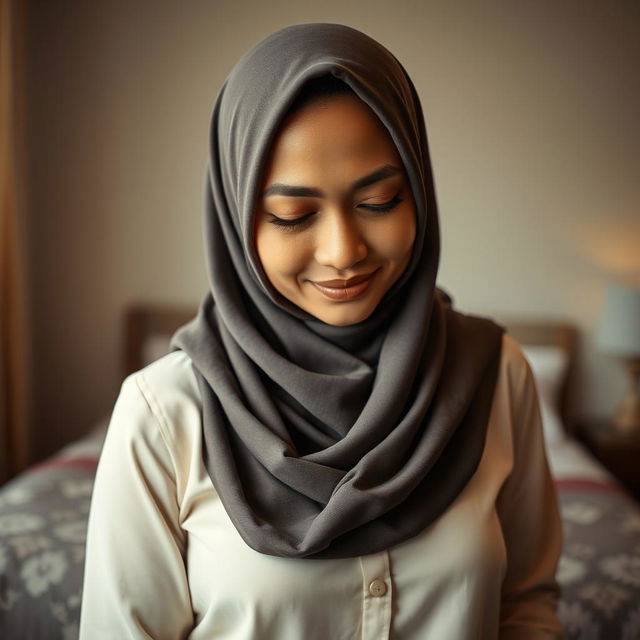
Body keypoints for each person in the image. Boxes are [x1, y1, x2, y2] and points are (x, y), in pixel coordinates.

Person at [79, 23, 564, 639]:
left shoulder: (497, 375)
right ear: (236, 219)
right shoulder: (162, 413)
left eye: (381, 201)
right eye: (292, 215)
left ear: (418, 190)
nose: (342, 251)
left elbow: (525, 604)